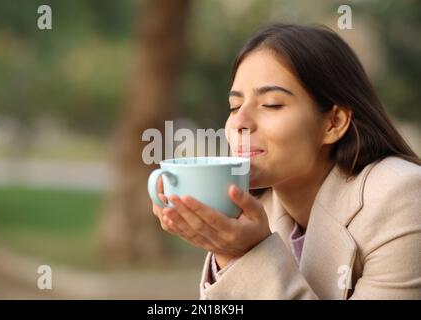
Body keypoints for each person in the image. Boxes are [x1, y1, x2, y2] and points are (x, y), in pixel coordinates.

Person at [151, 24, 421, 299]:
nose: (239, 123)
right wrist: (227, 251)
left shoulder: (401, 197)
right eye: (234, 107)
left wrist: (246, 254)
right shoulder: (255, 208)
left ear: (334, 122)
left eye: (270, 104)